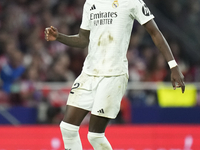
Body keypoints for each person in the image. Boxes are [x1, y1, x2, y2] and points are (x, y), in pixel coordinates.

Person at [45, 0, 185, 149]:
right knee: (68, 128)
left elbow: (155, 32)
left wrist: (173, 65)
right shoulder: (90, 3)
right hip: (89, 73)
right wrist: (59, 37)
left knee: (95, 135)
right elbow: (83, 39)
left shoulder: (132, 2)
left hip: (113, 75)